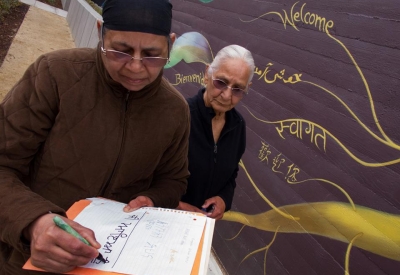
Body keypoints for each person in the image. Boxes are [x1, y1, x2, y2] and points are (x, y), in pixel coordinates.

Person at [0, 0, 190, 274]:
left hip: (109, 262)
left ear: (170, 44)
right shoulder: (55, 75)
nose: (136, 68)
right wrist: (34, 222)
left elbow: (173, 179)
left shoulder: (175, 110)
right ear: (100, 31)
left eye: (152, 55)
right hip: (24, 259)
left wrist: (153, 198)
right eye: (121, 51)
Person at [178, 45, 255, 220]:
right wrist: (177, 205)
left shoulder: (238, 126)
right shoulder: (180, 115)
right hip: (162, 219)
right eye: (221, 82)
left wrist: (223, 199)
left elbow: (231, 173)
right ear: (207, 74)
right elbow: (149, 174)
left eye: (237, 89)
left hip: (202, 226)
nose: (227, 95)